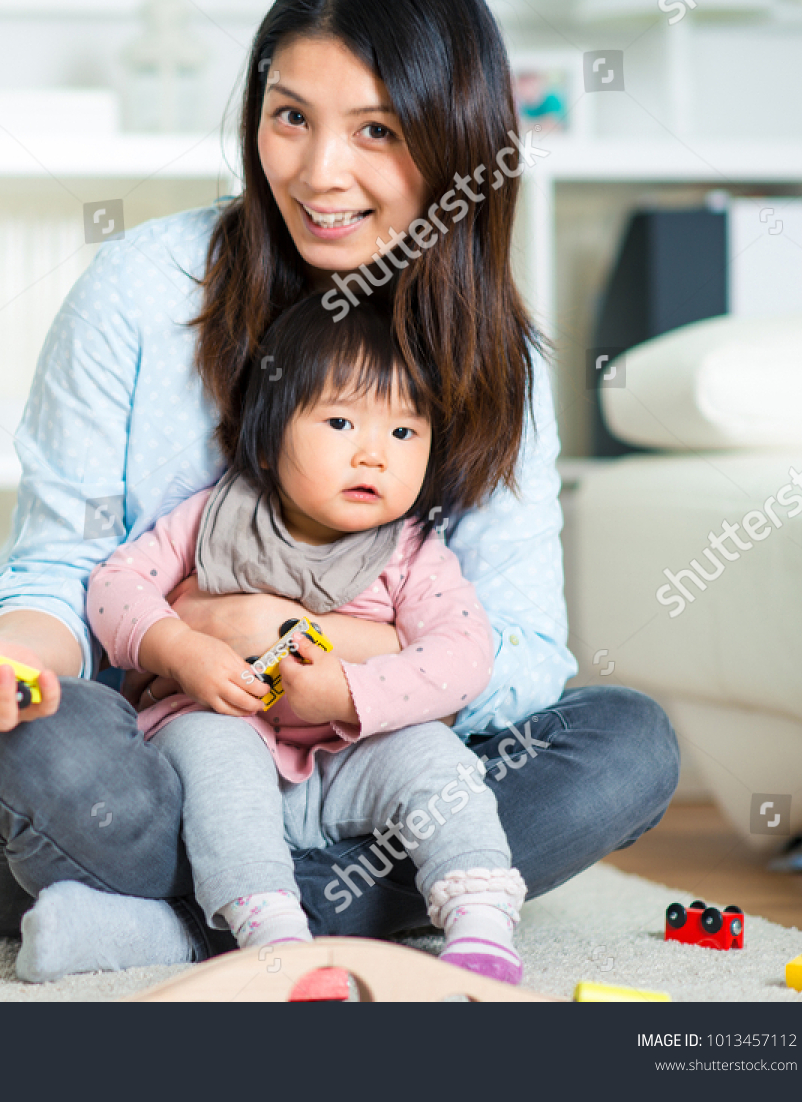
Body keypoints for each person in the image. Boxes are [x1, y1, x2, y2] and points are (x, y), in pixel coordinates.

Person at [0, 0, 679, 978]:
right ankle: (350, 910)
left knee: (625, 745)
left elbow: (522, 655)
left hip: (364, 775)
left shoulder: (492, 358)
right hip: (146, 768)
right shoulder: (142, 289)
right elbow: (66, 568)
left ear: (459, 141)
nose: (319, 174)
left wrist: (301, 643)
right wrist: (17, 656)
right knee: (37, 748)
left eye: (378, 131)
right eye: (290, 115)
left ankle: (187, 928)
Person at [81, 295, 528, 983]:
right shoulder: (213, 516)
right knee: (214, 745)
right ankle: (275, 933)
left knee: (438, 758)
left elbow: (465, 656)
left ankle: (481, 921)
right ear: (267, 437)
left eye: (406, 433)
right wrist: (178, 648)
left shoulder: (410, 552)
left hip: (352, 756)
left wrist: (349, 691)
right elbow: (113, 588)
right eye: (342, 421)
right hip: (228, 735)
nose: (375, 454)